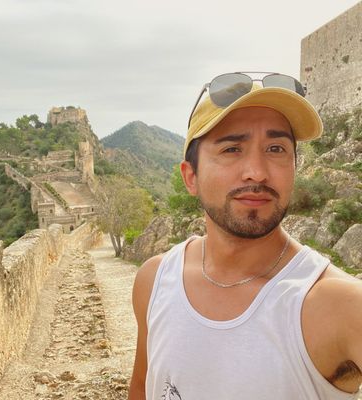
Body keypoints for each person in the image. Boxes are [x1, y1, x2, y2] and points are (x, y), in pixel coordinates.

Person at [128, 72, 362, 400]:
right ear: (191, 177)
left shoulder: (338, 304)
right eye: (232, 149)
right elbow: (142, 388)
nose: (257, 172)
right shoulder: (154, 281)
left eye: (276, 148)